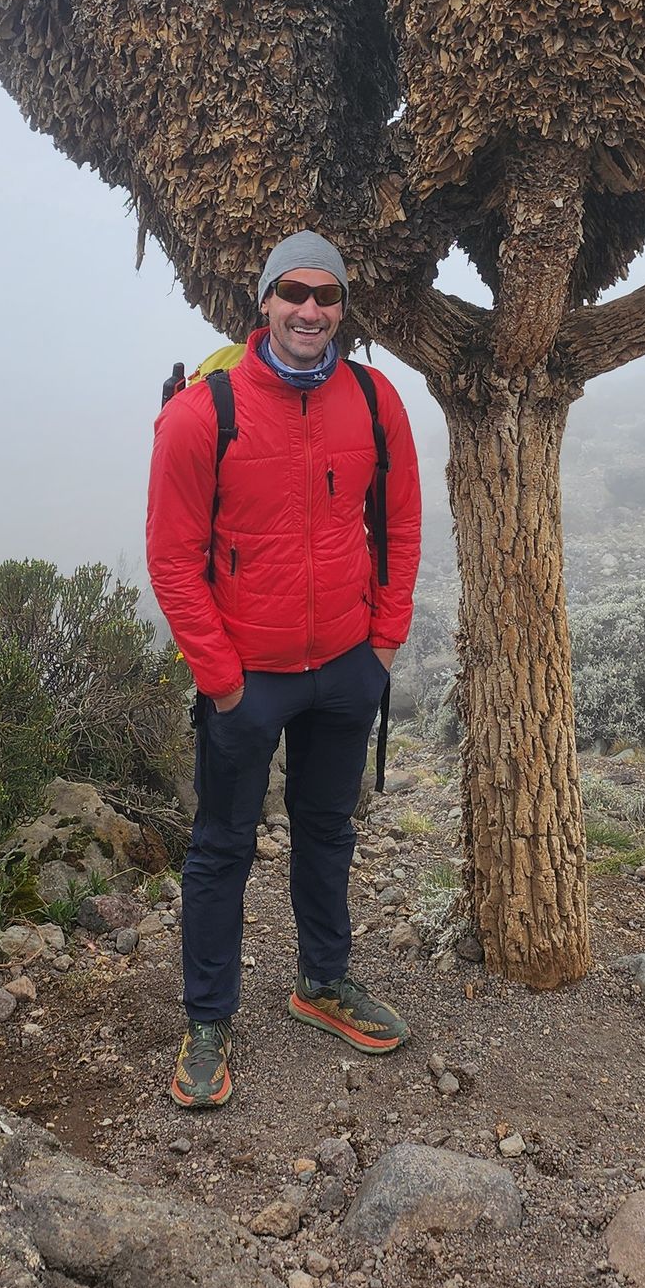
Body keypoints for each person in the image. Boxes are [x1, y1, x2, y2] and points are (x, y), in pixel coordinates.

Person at [147, 230, 422, 1111]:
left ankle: (322, 982)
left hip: (344, 665)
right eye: (294, 292)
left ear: (344, 307)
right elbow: (172, 559)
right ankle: (206, 1021)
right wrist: (223, 679)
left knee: (328, 829)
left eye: (328, 295)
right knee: (221, 847)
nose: (311, 309)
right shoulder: (204, 413)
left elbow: (403, 527)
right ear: (263, 301)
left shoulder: (376, 401)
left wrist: (382, 644)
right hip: (247, 678)